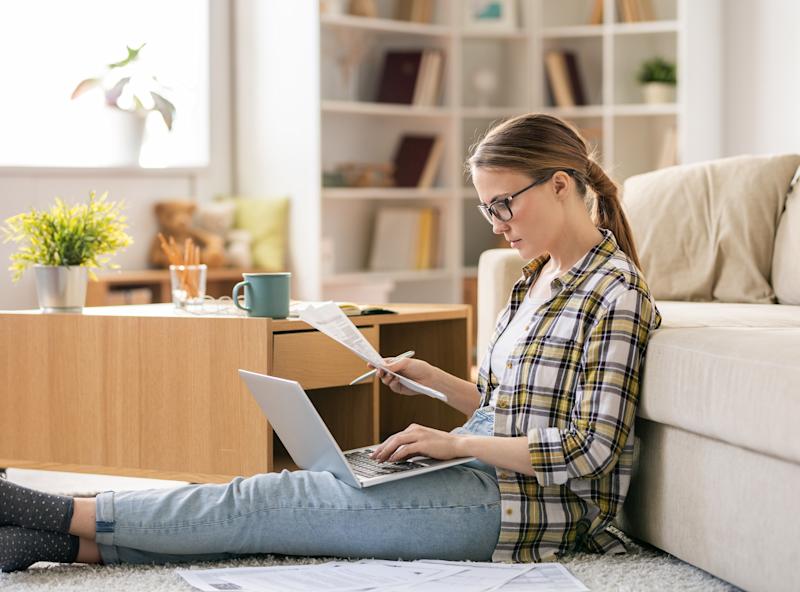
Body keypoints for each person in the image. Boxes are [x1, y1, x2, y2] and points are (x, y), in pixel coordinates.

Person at [0, 113, 661, 572]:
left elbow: (591, 451)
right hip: (479, 476)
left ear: (560, 185)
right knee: (291, 495)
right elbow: (504, 404)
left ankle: (51, 511)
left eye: (504, 205)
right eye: (486, 209)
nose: (497, 225)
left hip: (526, 506)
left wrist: (453, 442)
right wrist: (434, 379)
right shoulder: (534, 279)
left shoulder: (616, 292)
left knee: (281, 503)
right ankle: (52, 542)